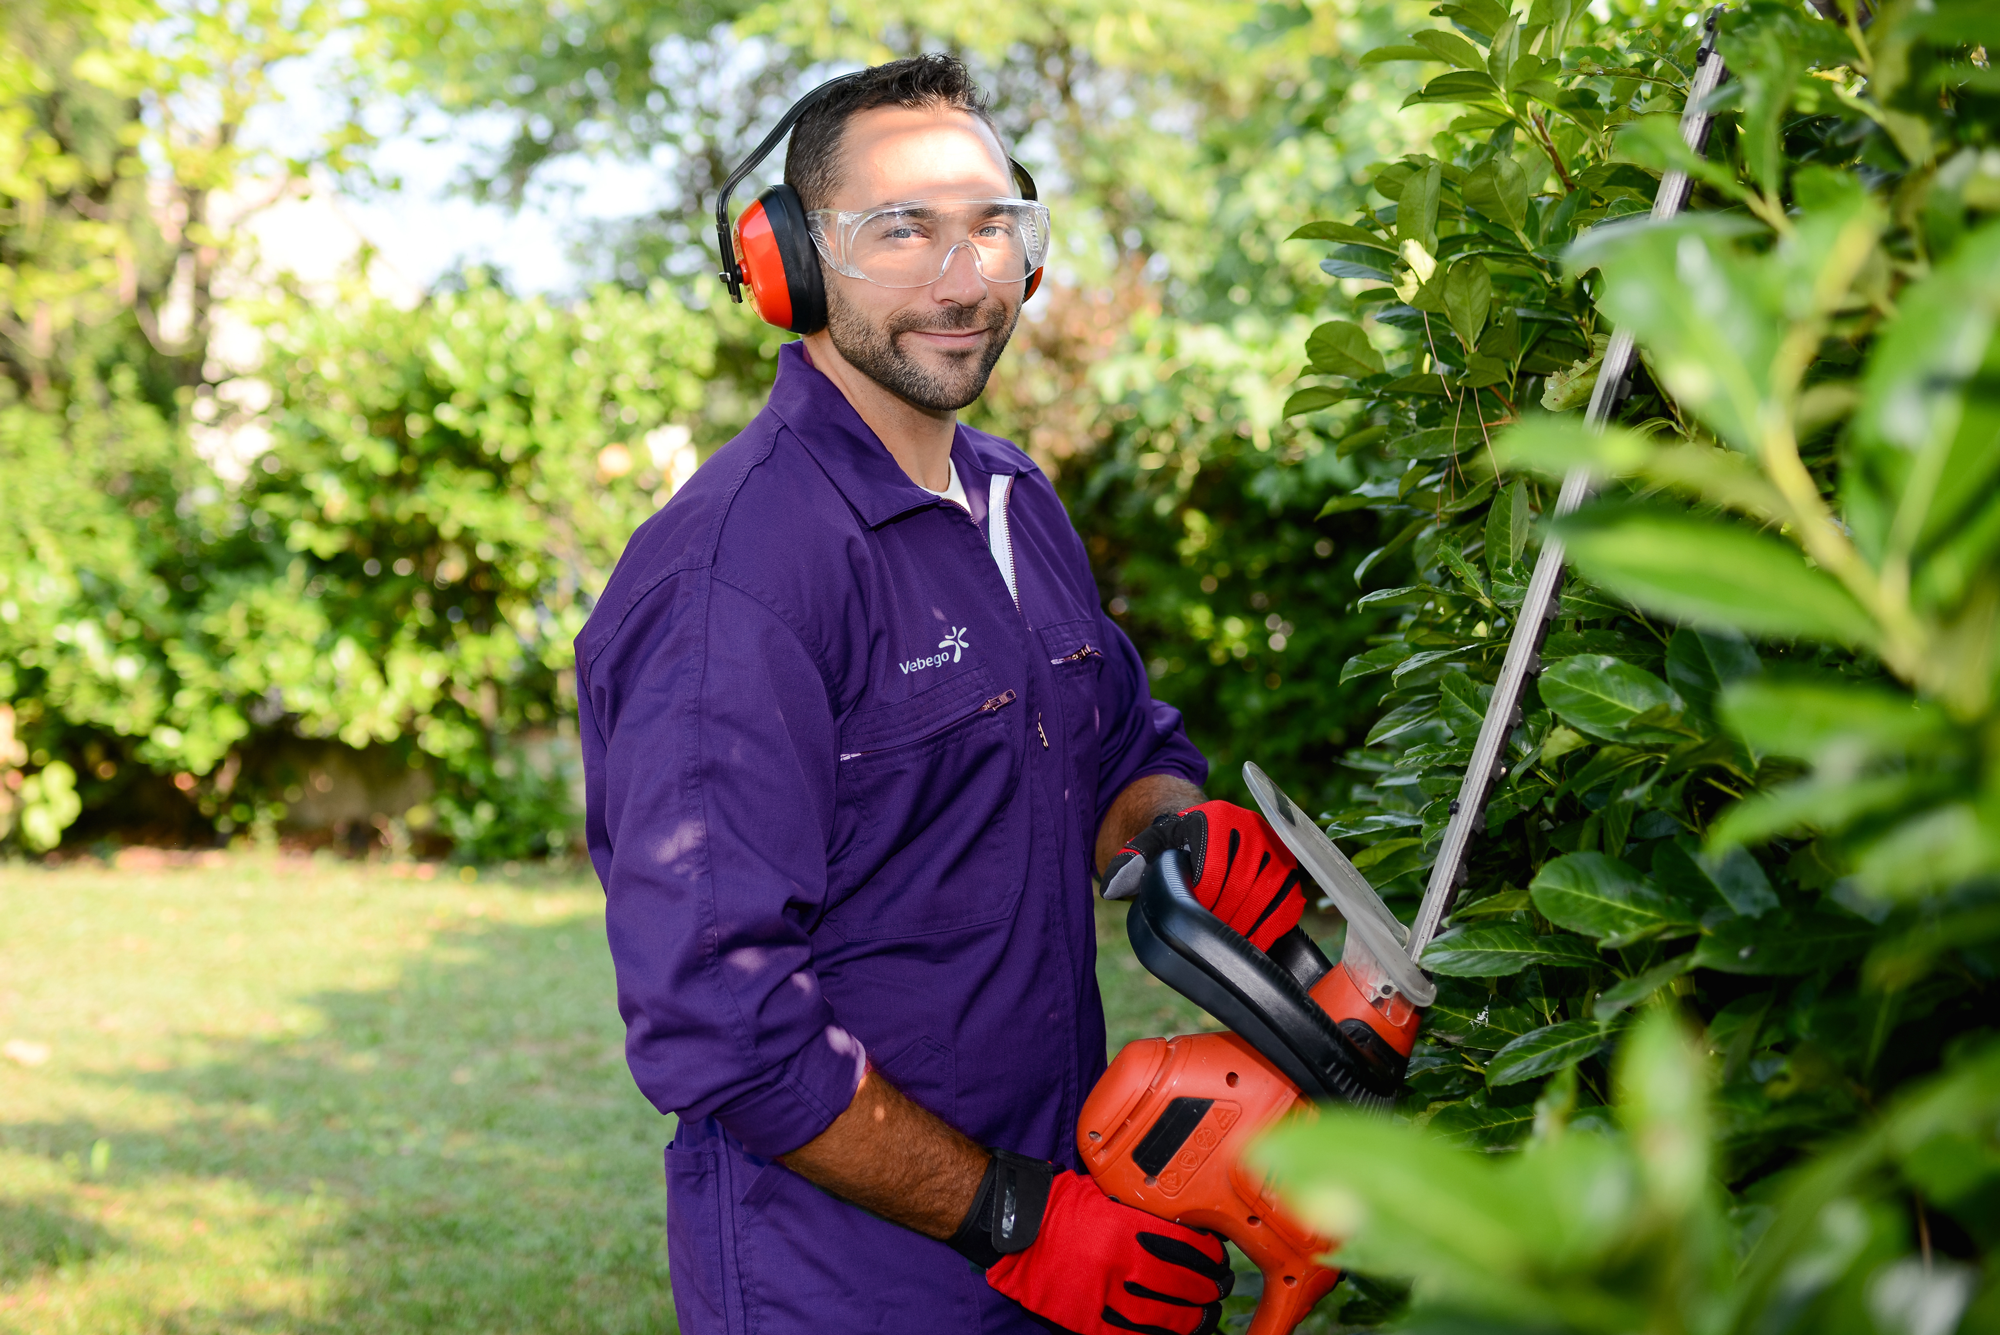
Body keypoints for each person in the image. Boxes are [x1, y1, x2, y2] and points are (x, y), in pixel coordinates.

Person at [577, 54, 1312, 1335]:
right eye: (900, 231)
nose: (962, 277)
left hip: (1064, 1205)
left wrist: (1166, 834)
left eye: (992, 228)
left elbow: (1116, 743)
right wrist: (1019, 1220)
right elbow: (719, 1018)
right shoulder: (732, 580)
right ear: (788, 265)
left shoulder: (1014, 499)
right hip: (848, 1278)